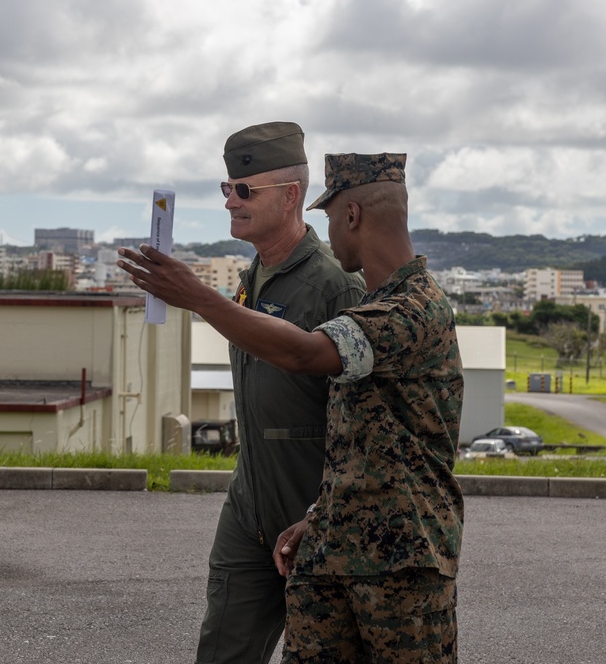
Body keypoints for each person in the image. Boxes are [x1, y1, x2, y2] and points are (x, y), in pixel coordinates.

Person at [117, 153, 464, 663]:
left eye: (328, 216)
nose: (325, 231)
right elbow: (358, 439)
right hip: (331, 545)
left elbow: (305, 353)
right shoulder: (377, 300)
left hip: (401, 563)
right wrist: (321, 516)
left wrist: (199, 298)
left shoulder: (410, 310)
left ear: (352, 217)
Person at [197, 122, 367, 664]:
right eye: (226, 188)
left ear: (291, 196)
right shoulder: (254, 276)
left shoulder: (335, 285)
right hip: (250, 503)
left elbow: (365, 420)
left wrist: (323, 513)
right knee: (222, 650)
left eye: (245, 190)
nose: (230, 201)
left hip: (310, 509)